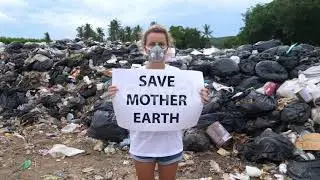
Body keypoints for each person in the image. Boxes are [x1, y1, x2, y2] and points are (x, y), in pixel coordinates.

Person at [108, 24, 209, 180]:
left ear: (168, 47)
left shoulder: (178, 76)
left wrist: (199, 97)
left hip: (171, 146)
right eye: (152, 44)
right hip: (142, 145)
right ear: (145, 47)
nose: (157, 48)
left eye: (161, 44)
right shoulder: (133, 77)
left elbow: (186, 104)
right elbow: (127, 105)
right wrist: (116, 95)